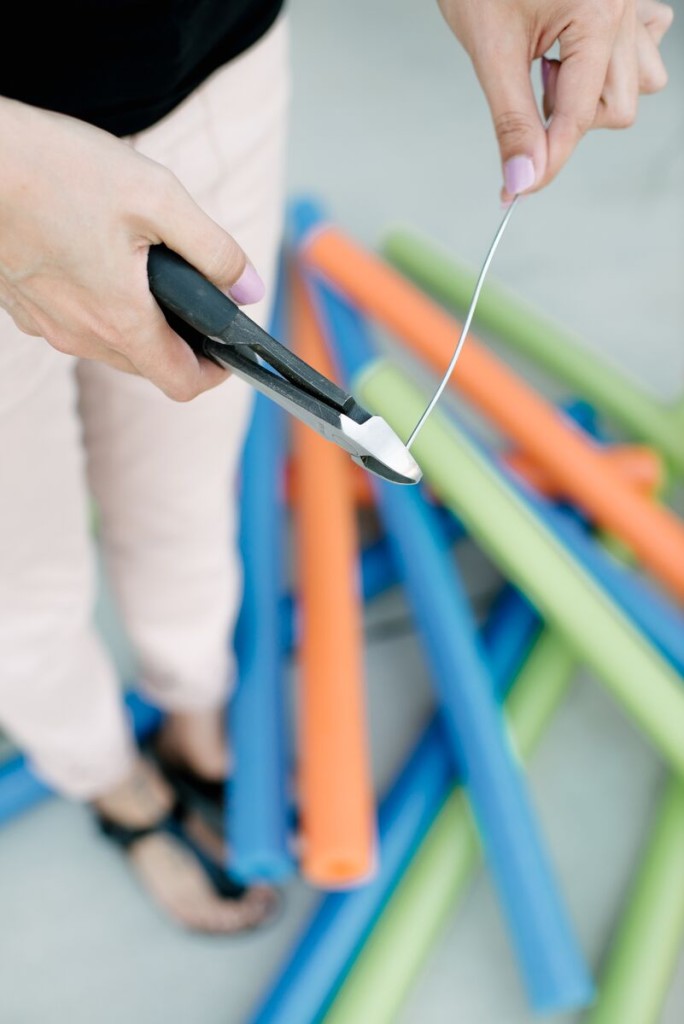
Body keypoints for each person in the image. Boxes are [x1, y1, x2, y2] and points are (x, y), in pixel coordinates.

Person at [0, 0, 673, 935]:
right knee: (17, 588)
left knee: (185, 488)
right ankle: (112, 785)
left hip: (208, 67)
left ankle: (196, 711)